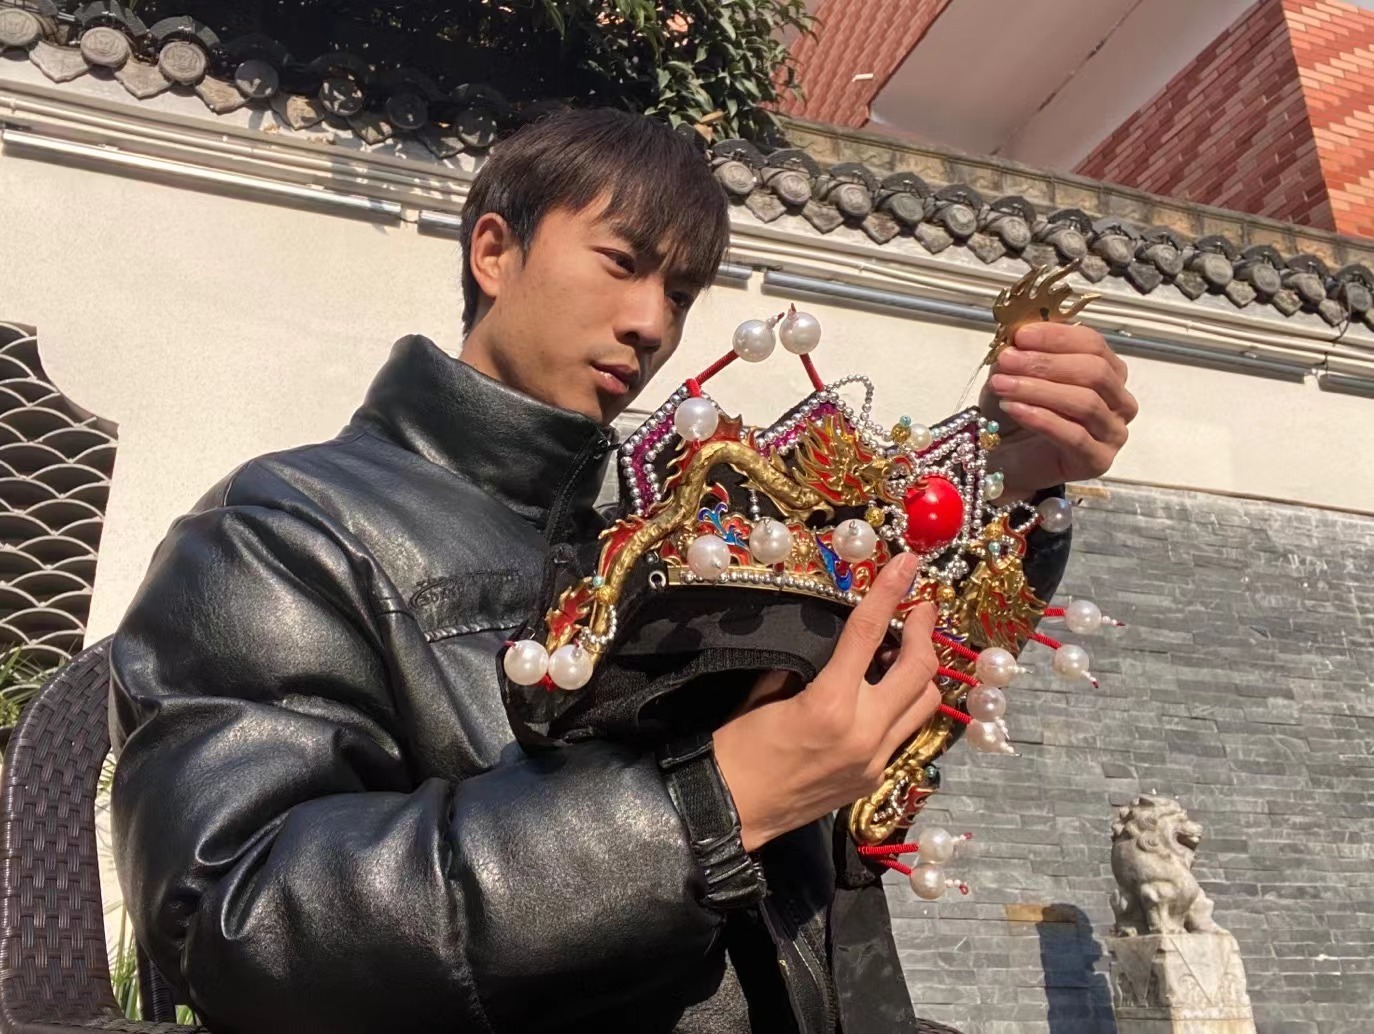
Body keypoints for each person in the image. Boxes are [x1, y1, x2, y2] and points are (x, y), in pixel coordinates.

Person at [109, 108, 1137, 1034]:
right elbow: (234, 914)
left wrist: (1012, 473)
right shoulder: (286, 527)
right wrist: (700, 809)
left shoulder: (670, 534)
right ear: (494, 251)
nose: (651, 322)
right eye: (620, 262)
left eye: (679, 293)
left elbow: (891, 658)